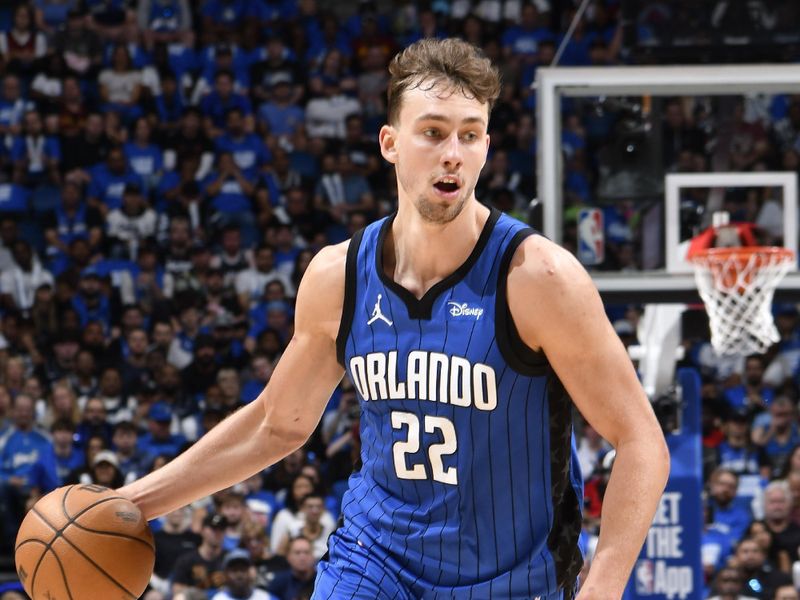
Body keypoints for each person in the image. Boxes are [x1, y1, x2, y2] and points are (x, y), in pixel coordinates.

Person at [120, 38, 669, 598]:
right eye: (432, 132)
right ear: (390, 143)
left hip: (511, 579)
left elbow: (641, 440)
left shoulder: (539, 278)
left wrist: (602, 588)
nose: (452, 152)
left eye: (470, 134)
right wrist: (130, 505)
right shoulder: (339, 276)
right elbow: (275, 424)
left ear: (486, 146)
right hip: (374, 561)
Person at [212, 548, 277, 600]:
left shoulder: (266, 598)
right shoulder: (218, 598)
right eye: (234, 570)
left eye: (242, 569)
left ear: (249, 572)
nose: (239, 574)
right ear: (225, 574)